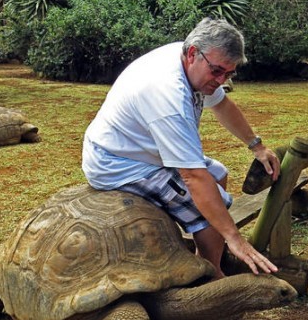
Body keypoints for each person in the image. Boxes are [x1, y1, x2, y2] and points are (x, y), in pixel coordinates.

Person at [82, 18, 281, 279]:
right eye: (217, 71)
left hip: (141, 147)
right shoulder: (167, 94)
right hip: (116, 162)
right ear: (192, 54)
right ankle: (210, 278)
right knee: (213, 204)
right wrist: (234, 238)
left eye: (229, 74)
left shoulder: (196, 61)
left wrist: (257, 146)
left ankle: (207, 260)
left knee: (218, 173)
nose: (221, 80)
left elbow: (222, 105)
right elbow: (193, 177)